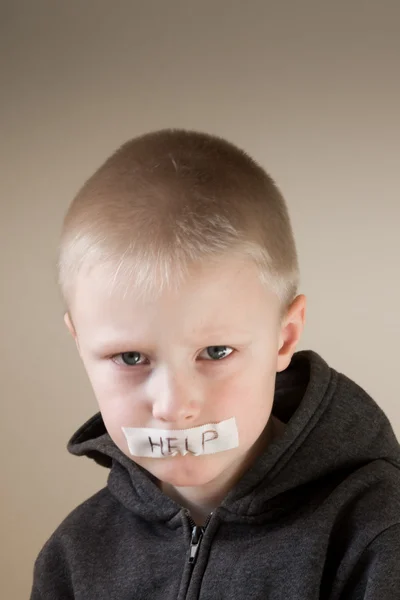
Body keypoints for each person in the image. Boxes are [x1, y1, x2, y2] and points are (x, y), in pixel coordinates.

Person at [31, 129, 400, 599]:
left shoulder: (375, 533)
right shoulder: (74, 554)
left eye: (216, 353)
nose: (174, 406)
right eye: (130, 358)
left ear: (284, 337)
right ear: (79, 344)